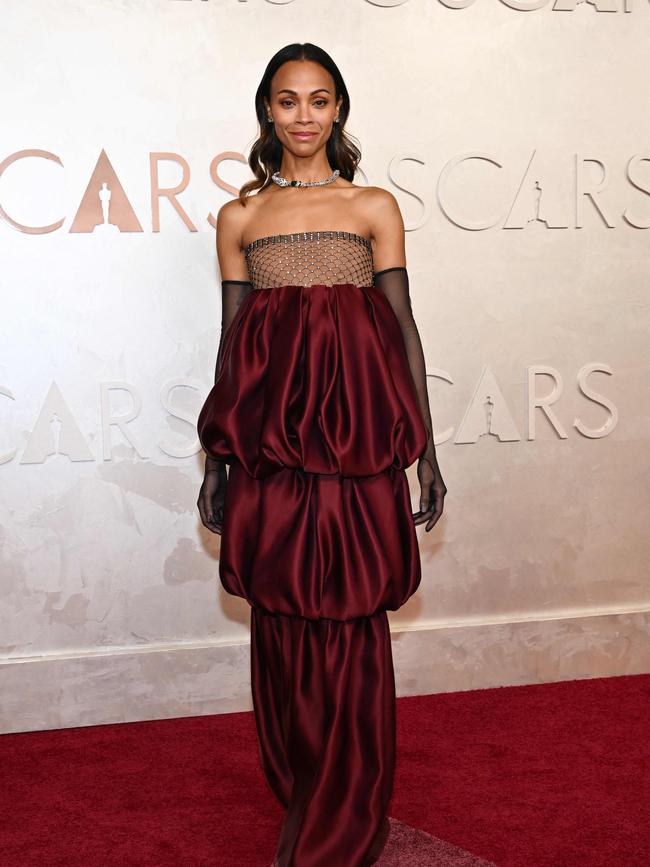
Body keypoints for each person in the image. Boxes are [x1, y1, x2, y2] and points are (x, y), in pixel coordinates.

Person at [196, 42, 447, 867]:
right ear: (266, 110)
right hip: (271, 452)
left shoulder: (373, 206)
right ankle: (304, 780)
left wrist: (427, 447)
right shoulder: (240, 218)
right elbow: (234, 343)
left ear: (339, 109)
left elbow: (402, 329)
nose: (303, 115)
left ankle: (347, 806)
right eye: (287, 100)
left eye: (319, 99)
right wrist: (217, 460)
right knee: (283, 617)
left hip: (357, 450)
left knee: (350, 617)